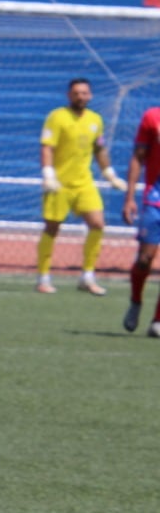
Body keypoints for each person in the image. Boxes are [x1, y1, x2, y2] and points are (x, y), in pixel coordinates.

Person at [36, 78, 126, 295]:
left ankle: (87, 276)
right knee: (52, 228)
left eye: (85, 93)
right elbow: (47, 147)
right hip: (60, 184)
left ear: (91, 96)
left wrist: (109, 174)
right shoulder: (57, 117)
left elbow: (99, 149)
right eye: (76, 93)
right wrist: (48, 174)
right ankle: (44, 277)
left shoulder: (95, 120)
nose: (80, 97)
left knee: (98, 224)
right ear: (69, 95)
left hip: (84, 183)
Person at [119, 103, 160, 335]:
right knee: (145, 259)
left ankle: (157, 320)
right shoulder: (153, 117)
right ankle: (136, 301)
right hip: (155, 198)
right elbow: (138, 157)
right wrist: (129, 197)